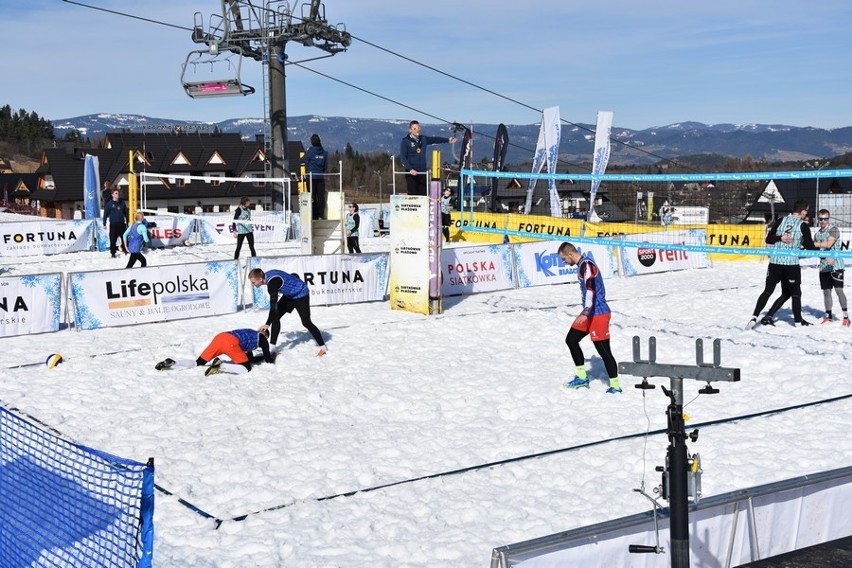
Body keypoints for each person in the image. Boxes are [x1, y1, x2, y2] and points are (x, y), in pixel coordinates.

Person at [558, 242, 621, 394]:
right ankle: (582, 378)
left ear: (571, 254)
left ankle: (615, 386)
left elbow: (590, 290)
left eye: (564, 259)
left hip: (597, 313)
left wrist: (586, 311)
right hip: (589, 312)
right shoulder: (582, 265)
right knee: (571, 340)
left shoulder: (587, 265)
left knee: (604, 352)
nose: (564, 262)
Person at [747, 200, 817, 328]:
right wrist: (823, 250)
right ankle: (797, 322)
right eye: (806, 211)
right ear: (802, 211)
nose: (807, 213)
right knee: (796, 292)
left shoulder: (781, 220)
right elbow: (810, 247)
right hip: (790, 264)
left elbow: (768, 239)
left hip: (775, 262)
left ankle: (755, 316)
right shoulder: (803, 225)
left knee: (769, 291)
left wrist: (781, 238)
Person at [248, 268, 327, 357]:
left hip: (301, 293)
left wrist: (267, 324)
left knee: (306, 322)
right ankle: (273, 349)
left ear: (260, 279)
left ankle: (323, 347)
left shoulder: (272, 285)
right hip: (289, 295)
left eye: (253, 282)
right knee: (275, 317)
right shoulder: (266, 276)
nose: (252, 284)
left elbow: (273, 307)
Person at [155, 328, 275, 376]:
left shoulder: (251, 333)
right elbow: (267, 358)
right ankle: (221, 365)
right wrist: (271, 356)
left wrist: (260, 357)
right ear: (265, 334)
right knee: (246, 368)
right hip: (231, 342)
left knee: (199, 362)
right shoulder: (262, 338)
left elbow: (250, 358)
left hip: (221, 337)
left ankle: (173, 363)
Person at [399, 120, 456, 196]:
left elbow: (435, 139)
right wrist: (410, 169)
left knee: (423, 195)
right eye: (414, 129)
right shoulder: (405, 141)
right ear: (410, 130)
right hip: (411, 173)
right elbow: (403, 157)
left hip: (422, 172)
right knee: (413, 195)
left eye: (418, 128)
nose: (417, 130)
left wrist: (448, 140)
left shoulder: (423, 139)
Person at [813, 209, 850, 326]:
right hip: (824, 266)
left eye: (825, 219)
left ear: (829, 219)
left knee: (839, 291)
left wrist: (813, 244)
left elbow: (828, 244)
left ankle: (846, 317)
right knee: (826, 292)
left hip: (836, 265)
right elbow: (816, 250)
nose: (823, 221)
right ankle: (828, 316)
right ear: (818, 219)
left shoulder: (834, 229)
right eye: (821, 219)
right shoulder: (817, 234)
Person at [303, 134, 328, 220]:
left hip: (311, 178)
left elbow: (302, 160)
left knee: (312, 198)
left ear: (312, 142)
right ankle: (321, 215)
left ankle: (314, 216)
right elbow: (325, 167)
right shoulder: (324, 153)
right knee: (321, 197)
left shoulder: (310, 151)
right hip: (321, 177)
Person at [102, 188, 128, 258]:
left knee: (124, 238)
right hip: (113, 224)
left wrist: (127, 222)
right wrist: (104, 223)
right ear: (112, 195)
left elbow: (126, 213)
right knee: (113, 239)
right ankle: (113, 253)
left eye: (118, 193)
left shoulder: (122, 203)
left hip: (122, 223)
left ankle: (125, 250)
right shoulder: (109, 204)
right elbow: (105, 214)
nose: (118, 194)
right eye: (116, 193)